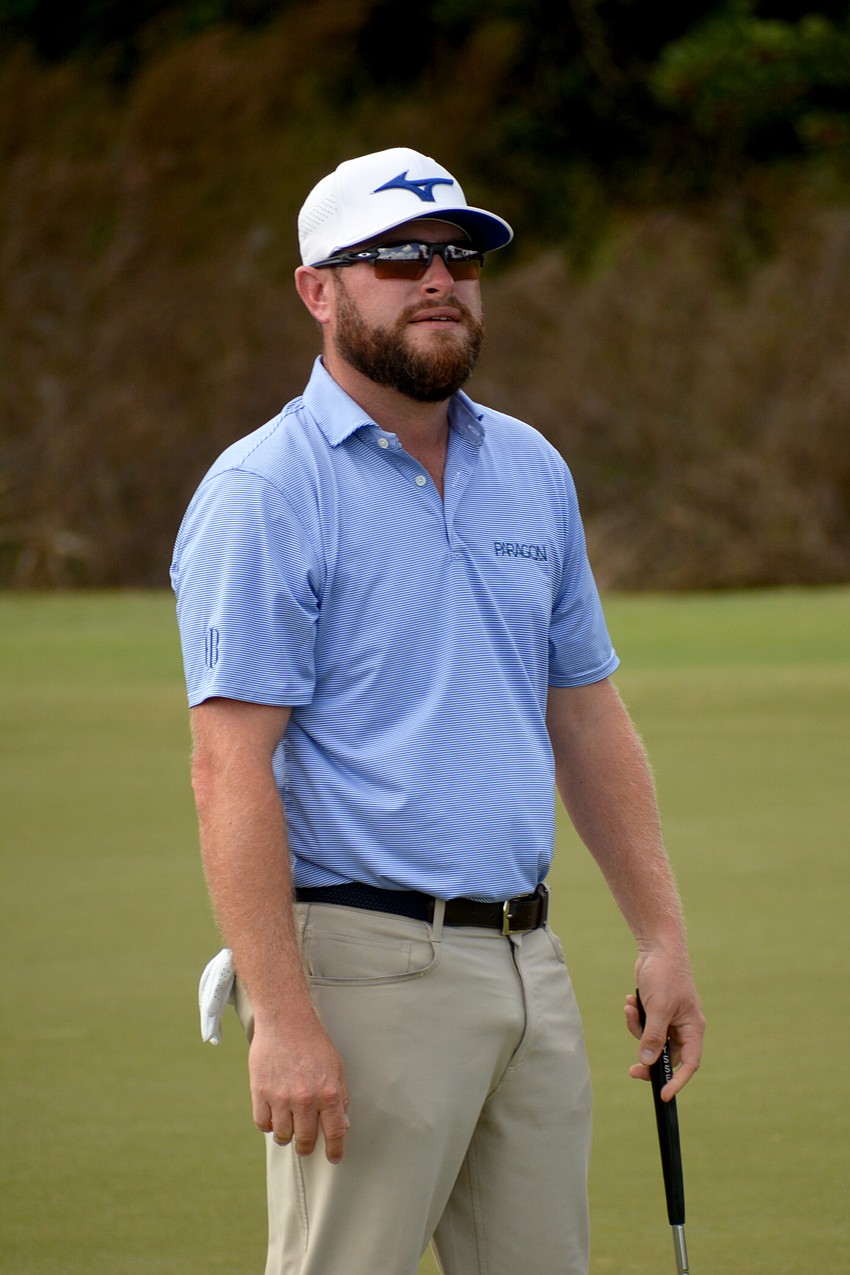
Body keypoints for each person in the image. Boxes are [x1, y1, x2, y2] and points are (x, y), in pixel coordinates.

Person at [171, 146, 704, 1275]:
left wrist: (661, 937)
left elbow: (586, 717)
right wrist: (287, 1017)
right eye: (394, 256)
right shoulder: (265, 491)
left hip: (529, 962)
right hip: (360, 977)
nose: (436, 279)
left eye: (458, 255)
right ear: (318, 289)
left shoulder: (529, 469)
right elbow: (229, 770)